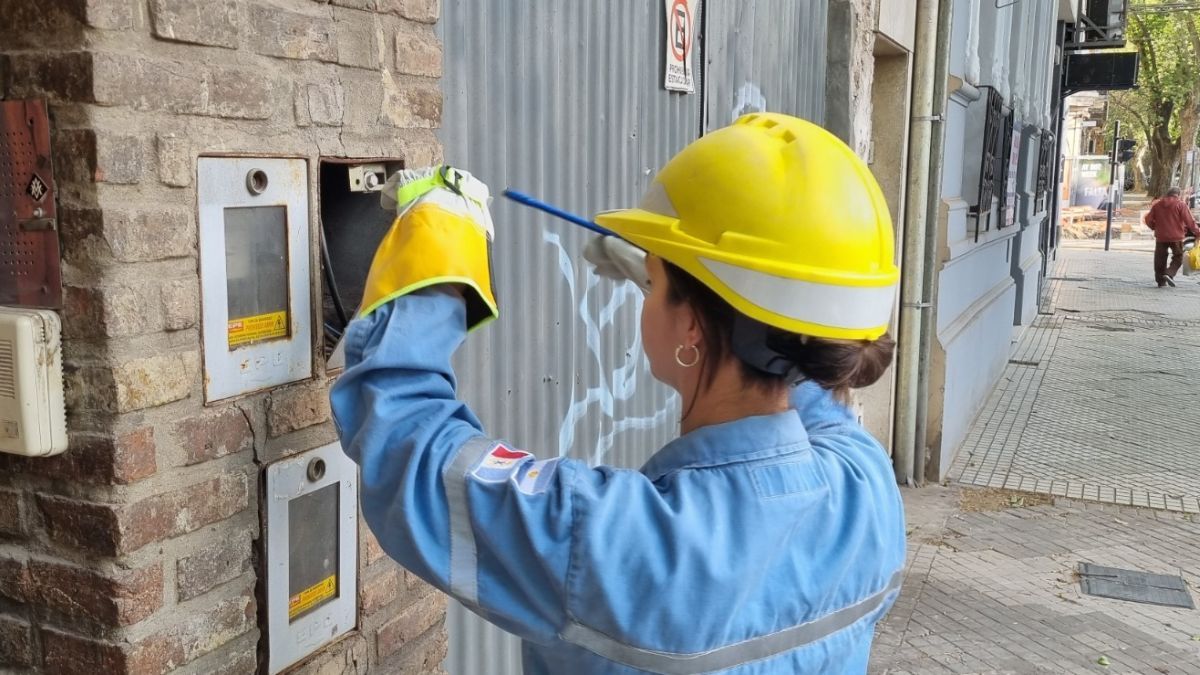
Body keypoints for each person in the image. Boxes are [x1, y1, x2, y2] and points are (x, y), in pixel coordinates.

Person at [331, 113, 906, 674]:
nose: (644, 297)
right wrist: (675, 277)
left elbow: (408, 438)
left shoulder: (607, 538)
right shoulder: (867, 484)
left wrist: (438, 242)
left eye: (653, 287)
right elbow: (794, 367)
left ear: (691, 329)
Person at [1145, 186, 1200, 287]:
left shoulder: (1157, 205)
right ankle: (1169, 273)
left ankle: (1160, 281)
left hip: (1161, 237)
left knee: (1159, 258)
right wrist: (1198, 232)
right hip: (1176, 237)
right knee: (1178, 257)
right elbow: (1190, 221)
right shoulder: (1181, 205)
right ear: (1178, 195)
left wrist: (1154, 227)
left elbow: (1148, 219)